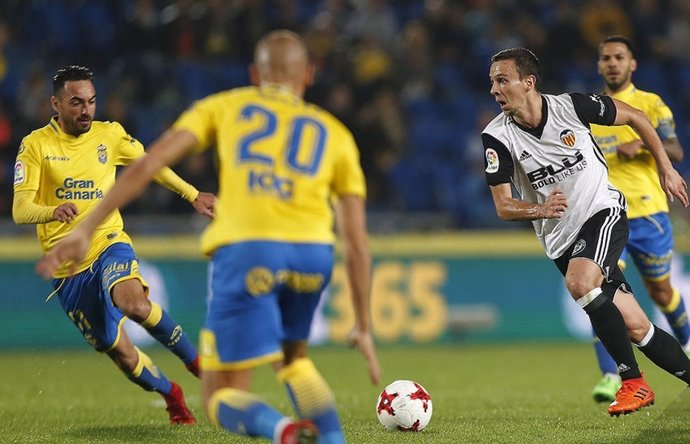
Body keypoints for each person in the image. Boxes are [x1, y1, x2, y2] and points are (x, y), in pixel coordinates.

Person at [36, 31, 381, 444]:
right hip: (313, 255)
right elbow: (358, 242)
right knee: (294, 361)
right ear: (308, 75)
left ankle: (284, 431)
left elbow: (147, 167)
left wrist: (86, 230)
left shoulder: (225, 106)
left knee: (220, 396)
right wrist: (363, 323)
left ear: (255, 74)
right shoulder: (336, 133)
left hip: (248, 250)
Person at [481, 47, 690, 416]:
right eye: (492, 82)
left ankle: (633, 382)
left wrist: (664, 168)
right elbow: (503, 205)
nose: (495, 89)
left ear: (528, 83)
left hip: (602, 212)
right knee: (638, 327)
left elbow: (638, 117)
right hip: (561, 240)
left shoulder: (573, 107)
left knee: (580, 283)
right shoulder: (496, 137)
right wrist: (540, 209)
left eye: (502, 80)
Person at [13, 65, 216, 425]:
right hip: (68, 268)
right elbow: (20, 208)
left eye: (91, 101)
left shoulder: (110, 135)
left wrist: (192, 194)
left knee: (134, 303)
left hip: (108, 241)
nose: (86, 110)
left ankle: (195, 361)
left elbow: (150, 165)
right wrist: (51, 210)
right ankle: (172, 394)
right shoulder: (35, 146)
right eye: (76, 103)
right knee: (121, 353)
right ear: (55, 104)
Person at [587, 35, 690, 403]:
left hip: (649, 214)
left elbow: (676, 149)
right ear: (599, 66)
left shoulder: (650, 104)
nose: (612, 63)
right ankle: (611, 376)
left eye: (619, 57)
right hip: (607, 217)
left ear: (632, 64)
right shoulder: (592, 110)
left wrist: (643, 144)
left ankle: (687, 346)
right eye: (605, 58)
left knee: (661, 291)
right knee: (599, 290)